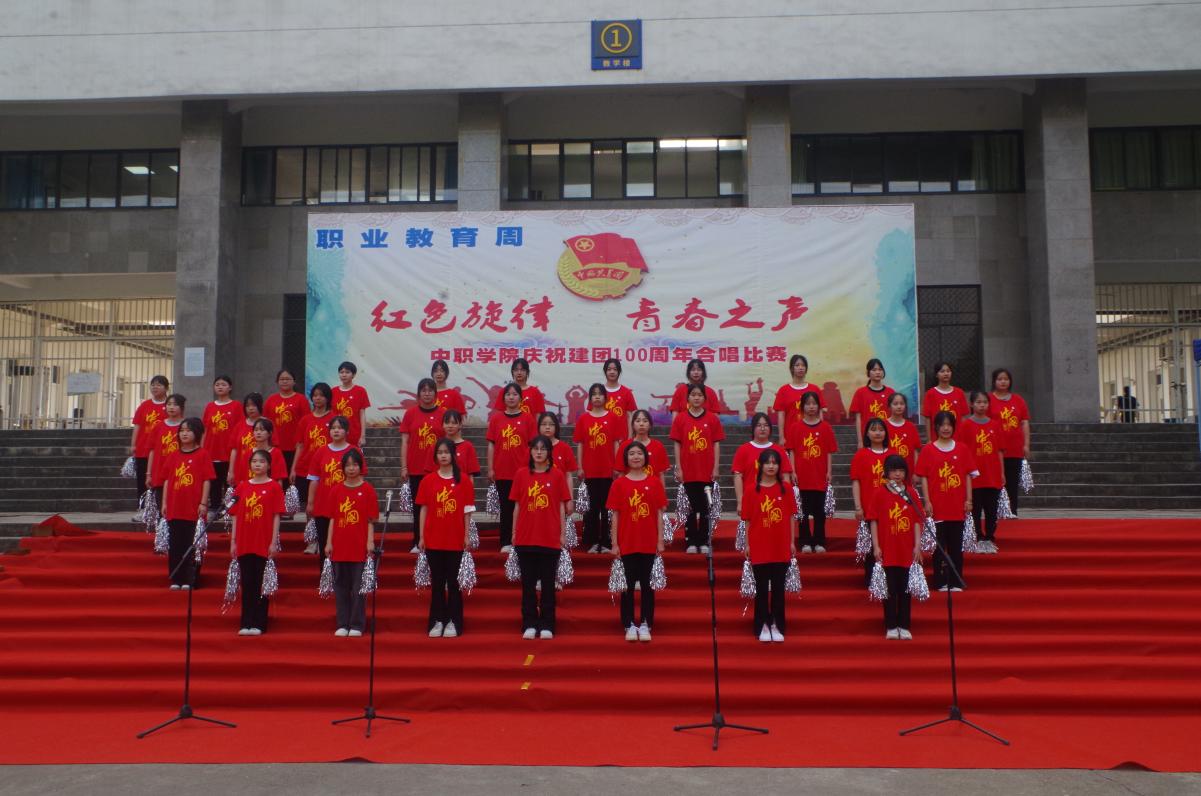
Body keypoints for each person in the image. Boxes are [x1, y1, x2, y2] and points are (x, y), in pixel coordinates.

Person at [511, 436, 571, 640]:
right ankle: (529, 622)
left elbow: (561, 506)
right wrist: (514, 533)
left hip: (549, 537)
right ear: (530, 452)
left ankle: (547, 623)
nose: (538, 452)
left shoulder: (557, 475)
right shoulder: (521, 474)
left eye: (543, 449)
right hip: (526, 537)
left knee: (547, 585)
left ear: (548, 452)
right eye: (535, 448)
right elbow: (517, 506)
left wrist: (562, 533)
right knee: (528, 585)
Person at [607, 441, 667, 642]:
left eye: (639, 453)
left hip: (648, 542)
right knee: (628, 587)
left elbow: (658, 514)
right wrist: (614, 543)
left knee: (648, 587)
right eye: (631, 453)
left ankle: (646, 623)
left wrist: (660, 539)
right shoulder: (619, 484)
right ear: (626, 458)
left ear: (645, 458)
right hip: (627, 542)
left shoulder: (654, 482)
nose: (635, 457)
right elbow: (615, 516)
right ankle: (629, 624)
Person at [416, 439, 474, 638]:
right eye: (439, 452)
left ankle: (454, 621)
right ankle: (437, 620)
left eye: (446, 452)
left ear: (453, 455)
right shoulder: (428, 480)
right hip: (433, 539)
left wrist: (466, 535)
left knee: (454, 583)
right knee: (438, 584)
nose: (443, 456)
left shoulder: (463, 480)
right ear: (435, 456)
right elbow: (424, 509)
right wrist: (422, 536)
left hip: (455, 539)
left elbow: (467, 511)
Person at [916, 411, 977, 592]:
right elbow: (924, 478)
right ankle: (940, 581)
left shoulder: (962, 449)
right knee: (939, 547)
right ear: (936, 427)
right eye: (942, 425)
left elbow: (968, 475)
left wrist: (969, 500)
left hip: (957, 506)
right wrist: (927, 501)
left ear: (953, 427)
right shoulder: (928, 450)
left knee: (956, 547)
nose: (945, 428)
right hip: (937, 507)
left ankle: (956, 581)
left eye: (949, 425)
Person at [742, 449, 798, 643]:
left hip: (780, 544)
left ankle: (777, 625)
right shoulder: (751, 490)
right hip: (759, 544)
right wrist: (747, 544)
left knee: (778, 589)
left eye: (775, 463)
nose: (771, 466)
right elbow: (747, 520)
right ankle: (762, 625)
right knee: (761, 589)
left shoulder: (786, 489)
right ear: (761, 465)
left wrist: (791, 541)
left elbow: (790, 517)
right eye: (767, 462)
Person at [867, 455, 924, 640]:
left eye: (901, 470)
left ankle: (904, 625)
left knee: (905, 590)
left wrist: (917, 546)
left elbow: (917, 521)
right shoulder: (879, 493)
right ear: (886, 472)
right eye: (893, 470)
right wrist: (876, 546)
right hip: (888, 548)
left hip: (907, 549)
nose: (898, 474)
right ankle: (891, 625)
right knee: (890, 589)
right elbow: (873, 520)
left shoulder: (911, 493)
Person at [229, 449, 285, 636]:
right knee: (247, 583)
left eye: (261, 461)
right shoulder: (242, 486)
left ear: (268, 465)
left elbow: (276, 516)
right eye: (254, 461)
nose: (257, 464)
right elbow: (235, 515)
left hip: (263, 540)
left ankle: (259, 623)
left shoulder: (274, 487)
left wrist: (273, 542)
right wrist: (233, 541)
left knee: (262, 583)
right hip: (244, 541)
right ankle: (246, 622)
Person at [325, 449, 377, 637]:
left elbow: (371, 520)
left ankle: (356, 624)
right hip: (339, 545)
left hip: (359, 546)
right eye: (347, 465)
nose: (351, 468)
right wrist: (328, 542)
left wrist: (370, 542)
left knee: (358, 588)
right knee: (341, 587)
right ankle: (342, 623)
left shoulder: (368, 490)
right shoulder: (336, 490)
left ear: (360, 467)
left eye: (355, 464)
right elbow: (332, 519)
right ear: (343, 468)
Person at [159, 417, 214, 589]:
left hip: (194, 507)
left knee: (193, 544)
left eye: (188, 430)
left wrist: (203, 503)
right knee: (176, 544)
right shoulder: (174, 455)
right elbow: (167, 480)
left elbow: (207, 480)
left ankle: (191, 579)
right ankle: (176, 578)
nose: (184, 434)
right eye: (182, 430)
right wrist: (164, 502)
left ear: (196, 433)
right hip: (175, 506)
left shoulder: (203, 455)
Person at [670, 383, 725, 554]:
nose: (696, 397)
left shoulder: (712, 419)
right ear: (688, 398)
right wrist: (679, 468)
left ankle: (704, 540)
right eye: (693, 394)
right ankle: (691, 541)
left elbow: (716, 444)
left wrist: (716, 467)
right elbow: (677, 444)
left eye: (699, 395)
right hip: (688, 470)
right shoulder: (680, 419)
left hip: (706, 470)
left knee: (706, 507)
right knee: (691, 508)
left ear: (704, 398)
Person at [306, 416, 365, 574]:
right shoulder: (321, 451)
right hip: (323, 505)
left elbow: (361, 479)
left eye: (340, 428)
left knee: (345, 542)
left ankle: (344, 577)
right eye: (333, 428)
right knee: (325, 541)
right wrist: (310, 502)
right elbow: (314, 479)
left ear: (347, 431)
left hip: (347, 506)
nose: (336, 431)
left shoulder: (354, 451)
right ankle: (326, 577)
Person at [486, 383, 537, 552]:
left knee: (525, 507)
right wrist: (491, 468)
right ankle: (506, 541)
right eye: (508, 394)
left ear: (520, 398)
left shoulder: (528, 418)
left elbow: (533, 446)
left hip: (523, 472)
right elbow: (491, 445)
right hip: (502, 471)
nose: (511, 397)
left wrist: (532, 468)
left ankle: (524, 538)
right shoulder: (496, 419)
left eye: (515, 394)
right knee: (506, 508)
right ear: (503, 398)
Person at [400, 378, 447, 553]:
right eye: (424, 390)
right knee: (418, 506)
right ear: (419, 393)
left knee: (438, 506)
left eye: (430, 390)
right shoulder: (410, 414)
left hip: (438, 469)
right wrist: (404, 467)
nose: (427, 393)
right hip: (416, 468)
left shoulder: (443, 414)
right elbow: (405, 442)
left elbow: (449, 442)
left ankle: (437, 540)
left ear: (435, 393)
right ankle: (417, 541)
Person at [786, 392, 838, 553]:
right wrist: (792, 471)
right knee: (802, 512)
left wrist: (829, 471)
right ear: (802, 407)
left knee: (820, 512)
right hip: (802, 476)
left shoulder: (825, 427)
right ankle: (805, 542)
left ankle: (819, 541)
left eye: (814, 403)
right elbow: (792, 451)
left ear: (818, 406)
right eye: (807, 404)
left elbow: (829, 451)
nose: (811, 407)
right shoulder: (795, 427)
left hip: (820, 475)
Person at [573, 383, 621, 553]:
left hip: (608, 471)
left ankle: (607, 542)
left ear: (605, 398)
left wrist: (617, 466)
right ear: (590, 398)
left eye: (600, 394)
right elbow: (580, 444)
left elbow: (616, 443)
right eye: (594, 394)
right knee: (592, 508)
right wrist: (580, 467)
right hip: (590, 471)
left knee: (607, 508)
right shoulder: (584, 419)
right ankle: (592, 541)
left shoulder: (613, 418)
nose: (597, 397)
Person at [958, 391, 1006, 554]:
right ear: (971, 404)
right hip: (974, 477)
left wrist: (1002, 472)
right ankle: (978, 537)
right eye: (978, 402)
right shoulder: (965, 425)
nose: (982, 405)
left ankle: (990, 538)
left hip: (992, 474)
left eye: (985, 402)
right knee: (976, 510)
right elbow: (962, 451)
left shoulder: (995, 425)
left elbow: (999, 451)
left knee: (992, 510)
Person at [732, 412, 793, 529]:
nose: (763, 428)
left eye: (766, 425)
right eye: (759, 425)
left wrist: (786, 498)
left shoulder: (779, 450)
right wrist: (740, 501)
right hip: (752, 499)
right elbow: (737, 476)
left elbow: (785, 477)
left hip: (774, 500)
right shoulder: (743, 450)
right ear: (753, 428)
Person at [850, 418, 892, 584]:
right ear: (867, 433)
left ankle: (888, 579)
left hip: (890, 509)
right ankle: (871, 580)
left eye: (881, 429)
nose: (877, 433)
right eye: (873, 430)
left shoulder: (892, 454)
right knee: (871, 547)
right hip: (868, 508)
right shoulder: (861, 455)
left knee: (889, 543)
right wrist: (858, 507)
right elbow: (856, 481)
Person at [989, 368, 1031, 518]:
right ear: (994, 381)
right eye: (1000, 379)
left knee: (1012, 482)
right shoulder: (988, 400)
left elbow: (1024, 423)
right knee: (996, 482)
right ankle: (996, 511)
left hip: (1014, 448)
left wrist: (1026, 445)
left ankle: (1012, 510)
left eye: (1006, 379)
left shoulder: (1018, 400)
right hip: (994, 449)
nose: (1003, 382)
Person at [292, 382, 333, 525]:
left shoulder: (333, 419)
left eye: (321, 395)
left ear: (327, 398)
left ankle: (325, 531)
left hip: (326, 468)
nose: (318, 398)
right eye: (315, 395)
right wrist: (294, 468)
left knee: (326, 501)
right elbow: (300, 445)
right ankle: (311, 533)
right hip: (306, 467)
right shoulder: (305, 420)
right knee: (309, 504)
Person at [202, 375, 243, 514]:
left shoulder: (236, 406)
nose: (220, 387)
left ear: (230, 387)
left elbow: (240, 429)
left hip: (229, 451)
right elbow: (205, 429)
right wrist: (202, 448)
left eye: (223, 384)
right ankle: (214, 507)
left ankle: (230, 509)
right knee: (214, 481)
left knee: (229, 481)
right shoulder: (210, 406)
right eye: (217, 384)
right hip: (211, 450)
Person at [130, 374, 169, 518]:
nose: (155, 387)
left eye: (159, 385)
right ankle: (142, 509)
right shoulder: (144, 405)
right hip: (143, 449)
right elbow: (137, 426)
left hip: (163, 451)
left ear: (166, 388)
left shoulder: (170, 405)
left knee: (161, 480)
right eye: (153, 385)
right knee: (142, 481)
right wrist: (133, 444)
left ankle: (162, 509)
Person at [264, 369, 310, 478]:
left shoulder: (301, 399)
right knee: (276, 476)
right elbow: (265, 423)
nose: (285, 381)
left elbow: (307, 423)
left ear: (294, 382)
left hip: (296, 447)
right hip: (275, 446)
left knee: (292, 478)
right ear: (277, 382)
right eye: (282, 379)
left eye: (288, 379)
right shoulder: (271, 400)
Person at [145, 393, 185, 510]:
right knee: (161, 506)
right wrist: (149, 474)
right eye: (169, 404)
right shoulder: (158, 427)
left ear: (182, 407)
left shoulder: (186, 427)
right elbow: (152, 451)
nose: (171, 407)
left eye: (175, 404)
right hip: (160, 471)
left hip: (180, 472)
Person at [772, 354, 824, 444]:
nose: (800, 368)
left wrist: (821, 432)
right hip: (791, 435)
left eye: (803, 365)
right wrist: (781, 437)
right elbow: (781, 415)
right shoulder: (783, 390)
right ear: (792, 369)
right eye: (797, 365)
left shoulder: (814, 389)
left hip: (811, 435)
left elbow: (820, 413)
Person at [538, 411, 578, 514]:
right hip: (538, 496)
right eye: (544, 424)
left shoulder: (565, 448)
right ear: (538, 427)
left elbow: (568, 476)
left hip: (559, 497)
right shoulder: (532, 449)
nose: (547, 427)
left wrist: (569, 499)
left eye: (551, 424)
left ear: (556, 427)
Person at [617, 409, 670, 487]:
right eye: (638, 421)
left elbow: (661, 474)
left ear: (650, 425)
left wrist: (662, 492)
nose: (641, 424)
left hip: (652, 489)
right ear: (632, 425)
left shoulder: (658, 446)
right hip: (630, 489)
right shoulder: (624, 446)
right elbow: (621, 473)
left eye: (645, 421)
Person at [229, 417, 288, 487]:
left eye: (262, 430)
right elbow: (242, 479)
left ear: (270, 433)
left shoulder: (276, 453)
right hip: (250, 491)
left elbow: (279, 480)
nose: (258, 432)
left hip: (268, 490)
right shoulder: (247, 454)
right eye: (256, 430)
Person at [849, 359, 895, 446]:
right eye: (874, 370)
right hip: (868, 438)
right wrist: (860, 441)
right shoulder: (860, 393)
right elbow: (858, 418)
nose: (877, 372)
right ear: (868, 373)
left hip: (887, 437)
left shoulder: (891, 392)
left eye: (880, 369)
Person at [921, 361, 969, 434]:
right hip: (937, 437)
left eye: (948, 371)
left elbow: (963, 417)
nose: (946, 373)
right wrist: (929, 438)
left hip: (956, 437)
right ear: (936, 374)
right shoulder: (930, 394)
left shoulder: (959, 393)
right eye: (942, 371)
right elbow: (928, 418)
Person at [332, 360, 371, 447]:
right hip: (336, 435)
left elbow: (362, 414)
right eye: (341, 372)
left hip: (354, 434)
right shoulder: (333, 391)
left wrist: (362, 436)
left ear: (353, 375)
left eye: (347, 372)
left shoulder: (360, 391)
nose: (344, 375)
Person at [885, 392, 921, 479]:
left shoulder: (911, 427)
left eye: (902, 404)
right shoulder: (883, 425)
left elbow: (915, 451)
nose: (899, 406)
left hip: (908, 470)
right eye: (895, 404)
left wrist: (916, 472)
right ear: (889, 406)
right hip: (888, 470)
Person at [601, 357, 638, 438]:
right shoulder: (599, 392)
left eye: (615, 369)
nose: (612, 372)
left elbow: (629, 417)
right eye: (609, 369)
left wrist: (629, 438)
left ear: (619, 372)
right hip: (603, 436)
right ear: (605, 371)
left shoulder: (626, 392)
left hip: (622, 438)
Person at [442, 409, 481, 483]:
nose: (450, 426)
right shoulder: (437, 446)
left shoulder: (468, 446)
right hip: (441, 488)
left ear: (460, 425)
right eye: (447, 423)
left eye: (454, 423)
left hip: (461, 486)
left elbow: (470, 475)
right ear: (442, 425)